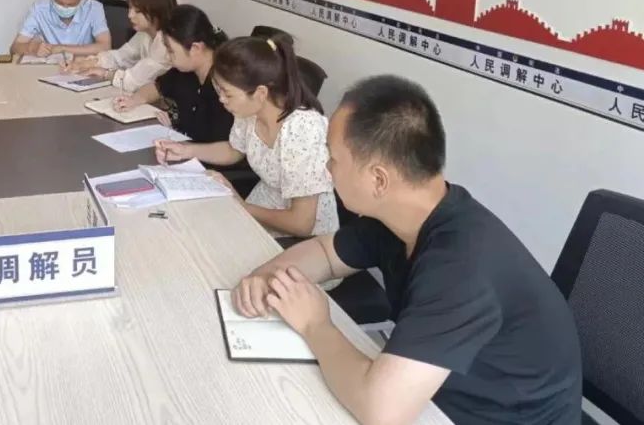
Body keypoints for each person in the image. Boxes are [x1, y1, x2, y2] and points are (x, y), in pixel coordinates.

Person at [230, 76, 582, 425]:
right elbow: (326, 254)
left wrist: (315, 325)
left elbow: (381, 410)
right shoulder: (406, 214)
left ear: (378, 179)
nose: (327, 168)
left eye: (333, 159)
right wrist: (268, 276)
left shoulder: (461, 267)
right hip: (437, 393)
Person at [156, 34, 338, 240]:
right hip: (262, 205)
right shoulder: (250, 111)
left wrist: (239, 204)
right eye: (219, 91)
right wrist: (186, 150)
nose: (221, 100)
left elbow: (301, 224)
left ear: (260, 93)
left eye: (228, 94)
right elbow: (234, 150)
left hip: (303, 238)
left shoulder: (302, 129)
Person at [113, 5, 231, 142]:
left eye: (170, 51)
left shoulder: (225, 87)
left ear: (195, 48)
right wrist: (134, 99)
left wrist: (182, 147)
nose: (168, 57)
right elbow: (157, 87)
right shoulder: (184, 71)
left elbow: (227, 147)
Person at [65, 0, 176, 92]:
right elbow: (121, 57)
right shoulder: (145, 34)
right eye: (130, 8)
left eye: (137, 11)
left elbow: (133, 81)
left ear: (156, 10)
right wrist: (88, 63)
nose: (130, 15)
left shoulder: (167, 43)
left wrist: (106, 73)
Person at [9, 0, 111, 59]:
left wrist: (61, 48)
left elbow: (105, 46)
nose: (65, 8)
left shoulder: (94, 8)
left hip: (83, 66)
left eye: (71, 4)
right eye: (60, 3)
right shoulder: (39, 9)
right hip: (48, 67)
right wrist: (32, 48)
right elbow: (14, 48)